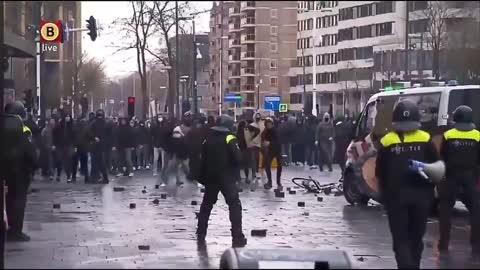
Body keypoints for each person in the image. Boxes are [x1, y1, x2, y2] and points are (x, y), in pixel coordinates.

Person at [375, 99, 440, 269]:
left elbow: (379, 172)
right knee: (416, 238)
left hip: (396, 199)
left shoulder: (387, 141)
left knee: (401, 239)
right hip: (422, 198)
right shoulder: (425, 138)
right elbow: (436, 167)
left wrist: (384, 194)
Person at [196, 115, 247, 247]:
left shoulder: (208, 139)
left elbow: (202, 159)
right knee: (234, 205)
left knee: (206, 206)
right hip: (226, 178)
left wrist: (202, 177)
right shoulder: (230, 138)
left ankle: (201, 233)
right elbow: (237, 158)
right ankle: (237, 236)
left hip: (211, 178)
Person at [438, 105, 480, 254]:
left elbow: (442, 156)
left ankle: (443, 244)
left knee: (445, 210)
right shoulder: (477, 135)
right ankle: (476, 244)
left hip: (451, 176)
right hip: (470, 177)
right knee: (476, 210)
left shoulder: (448, 135)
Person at [2, 101, 37, 241]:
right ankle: (16, 231)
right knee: (19, 202)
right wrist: (34, 166)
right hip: (21, 171)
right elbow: (30, 152)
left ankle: (7, 226)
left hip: (6, 170)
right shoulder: (23, 128)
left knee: (8, 200)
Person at [261, 117, 283, 190]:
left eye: (270, 124)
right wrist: (264, 145)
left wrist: (269, 143)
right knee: (267, 165)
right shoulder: (265, 132)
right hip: (270, 151)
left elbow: (278, 141)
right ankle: (269, 182)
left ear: (272, 124)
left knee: (279, 166)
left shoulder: (276, 131)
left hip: (277, 150)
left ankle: (278, 182)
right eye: (267, 124)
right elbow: (263, 141)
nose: (268, 125)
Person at [89, 109, 110, 184]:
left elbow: (109, 134)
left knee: (101, 163)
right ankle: (95, 177)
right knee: (96, 162)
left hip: (102, 146)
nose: (100, 117)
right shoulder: (94, 123)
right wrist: (94, 137)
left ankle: (103, 178)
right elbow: (89, 132)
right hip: (95, 146)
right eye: (99, 115)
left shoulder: (105, 124)